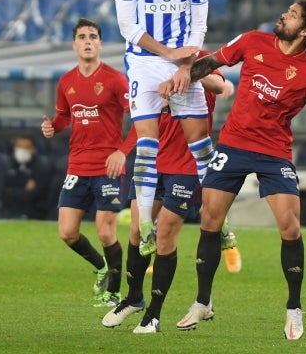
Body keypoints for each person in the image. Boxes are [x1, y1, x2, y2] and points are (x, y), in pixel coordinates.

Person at [169, 0, 306, 340]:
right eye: (288, 9)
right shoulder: (253, 41)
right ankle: (202, 301)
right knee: (210, 218)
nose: (284, 14)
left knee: (290, 227)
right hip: (235, 143)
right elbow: (214, 62)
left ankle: (294, 309)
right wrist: (182, 76)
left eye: (293, 14)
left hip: (275, 152)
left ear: (305, 32)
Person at [102, 58, 238, 334]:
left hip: (186, 168)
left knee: (164, 235)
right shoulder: (148, 59)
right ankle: (134, 298)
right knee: (137, 234)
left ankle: (153, 314)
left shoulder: (200, 56)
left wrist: (187, 74)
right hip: (152, 164)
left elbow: (225, 86)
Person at [114, 0, 212, 256]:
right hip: (144, 61)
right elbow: (128, 27)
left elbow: (199, 24)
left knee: (201, 143)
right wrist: (168, 53)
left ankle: (219, 221)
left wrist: (186, 64)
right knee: (147, 143)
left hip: (180, 62)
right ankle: (143, 225)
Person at [41, 18, 136, 307]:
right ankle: (101, 267)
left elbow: (138, 119)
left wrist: (122, 152)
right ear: (74, 44)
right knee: (67, 232)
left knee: (106, 231)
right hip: (77, 166)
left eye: (92, 36)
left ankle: (115, 293)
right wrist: (52, 127)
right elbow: (64, 117)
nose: (87, 41)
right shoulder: (66, 81)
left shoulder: (115, 80)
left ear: (100, 44)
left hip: (108, 166)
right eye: (82, 36)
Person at [0, 135, 51, 220]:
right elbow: (4, 194)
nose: (22, 150)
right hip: (10, 213)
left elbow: (33, 196)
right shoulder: (9, 165)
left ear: (33, 149)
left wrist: (13, 191)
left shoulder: (41, 167)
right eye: (19, 146)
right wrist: (24, 191)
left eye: (26, 147)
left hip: (34, 214)